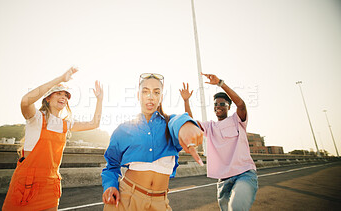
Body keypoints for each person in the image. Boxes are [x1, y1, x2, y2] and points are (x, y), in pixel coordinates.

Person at [2, 67, 103, 211]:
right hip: (27, 183)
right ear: (48, 98)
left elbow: (95, 123)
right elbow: (25, 101)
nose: (64, 97)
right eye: (59, 93)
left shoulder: (65, 124)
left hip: (51, 183)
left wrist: (99, 99)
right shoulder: (36, 118)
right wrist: (60, 79)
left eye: (66, 96)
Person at [101, 73, 204, 211]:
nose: (150, 96)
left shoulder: (169, 124)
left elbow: (179, 121)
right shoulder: (124, 129)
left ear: (161, 97)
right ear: (138, 95)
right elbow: (111, 165)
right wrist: (110, 185)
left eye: (156, 92)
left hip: (160, 203)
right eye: (145, 91)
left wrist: (186, 125)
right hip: (126, 199)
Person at [180, 74, 258, 211]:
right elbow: (191, 123)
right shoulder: (210, 127)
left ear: (229, 107)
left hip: (244, 174)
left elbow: (241, 104)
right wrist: (186, 101)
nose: (218, 106)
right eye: (216, 104)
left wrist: (221, 83)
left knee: (236, 207)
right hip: (223, 181)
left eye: (222, 104)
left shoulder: (237, 120)